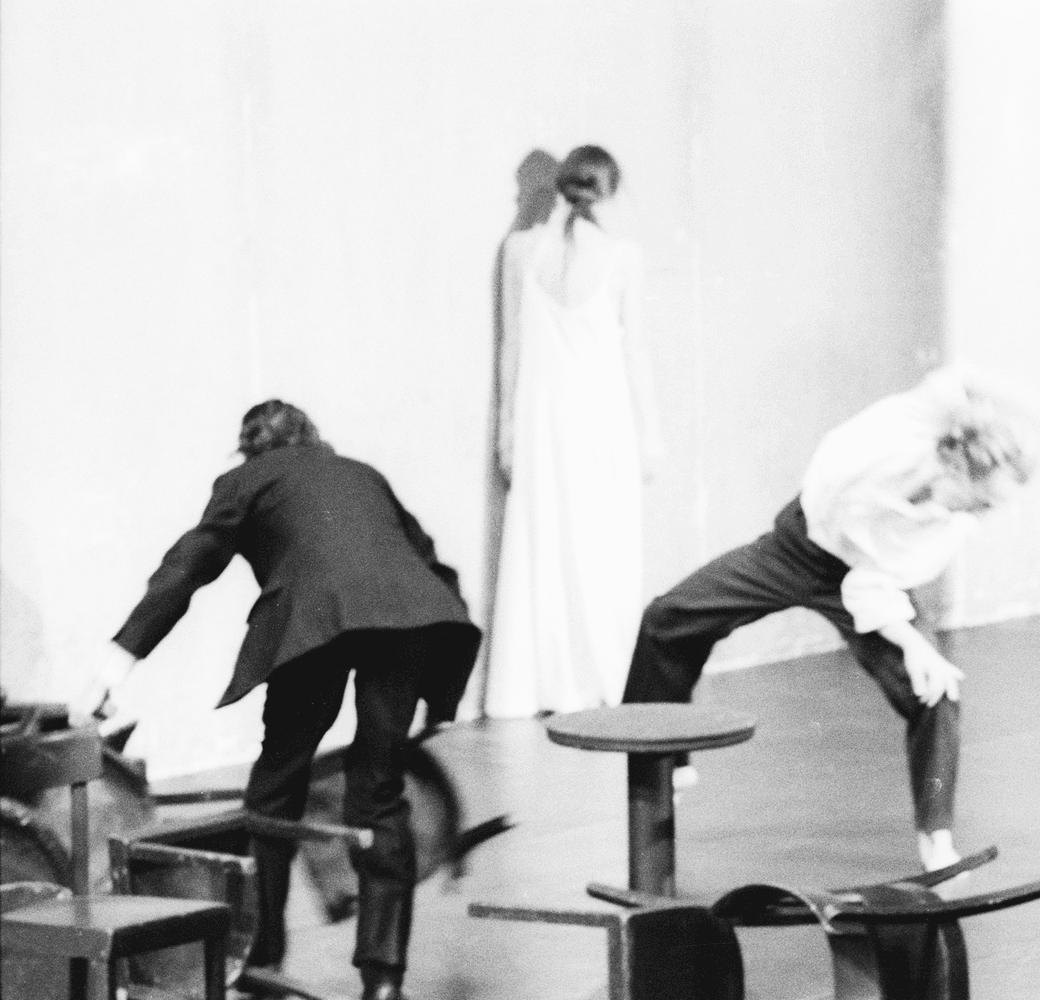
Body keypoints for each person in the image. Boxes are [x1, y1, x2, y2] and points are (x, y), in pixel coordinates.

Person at [70, 400, 480, 1000]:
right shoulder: (360, 472)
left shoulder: (245, 480)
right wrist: (442, 698)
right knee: (379, 793)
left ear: (249, 449)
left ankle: (261, 955)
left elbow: (185, 569)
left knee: (275, 789)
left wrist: (116, 663)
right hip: (407, 625)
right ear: (312, 436)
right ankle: (384, 978)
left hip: (312, 622)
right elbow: (429, 567)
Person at [622, 366, 1040, 871]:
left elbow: (869, 587)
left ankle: (936, 835)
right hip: (799, 549)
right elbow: (962, 377)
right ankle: (664, 762)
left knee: (936, 692)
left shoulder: (949, 522)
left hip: (874, 581)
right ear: (959, 468)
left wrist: (916, 647)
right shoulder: (900, 435)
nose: (984, 515)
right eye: (984, 501)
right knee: (668, 619)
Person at [484, 144, 663, 718]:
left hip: (543, 422)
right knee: (606, 550)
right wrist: (650, 437)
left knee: (545, 547)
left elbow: (510, 350)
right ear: (609, 192)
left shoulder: (518, 251)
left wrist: (508, 434)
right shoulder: (624, 256)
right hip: (604, 422)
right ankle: (606, 676)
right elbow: (635, 354)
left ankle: (546, 684)